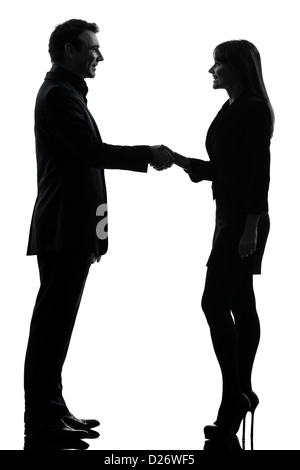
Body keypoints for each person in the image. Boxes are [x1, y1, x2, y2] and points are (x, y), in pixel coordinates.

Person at [24, 18, 173, 442]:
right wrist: (148, 154)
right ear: (69, 50)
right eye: (92, 48)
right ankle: (41, 417)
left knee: (56, 323)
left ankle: (52, 408)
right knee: (52, 325)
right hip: (63, 226)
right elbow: (90, 154)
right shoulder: (58, 96)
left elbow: (83, 167)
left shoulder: (66, 94)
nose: (99, 56)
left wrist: (96, 234)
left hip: (70, 227)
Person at [170, 40, 274, 450]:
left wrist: (250, 227)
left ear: (237, 67)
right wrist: (181, 161)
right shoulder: (232, 106)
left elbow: (259, 173)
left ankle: (233, 396)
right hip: (228, 217)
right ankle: (243, 392)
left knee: (214, 302)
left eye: (218, 64)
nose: (211, 70)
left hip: (244, 221)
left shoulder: (253, 108)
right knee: (240, 301)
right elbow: (227, 168)